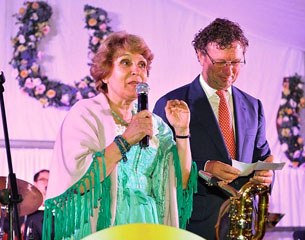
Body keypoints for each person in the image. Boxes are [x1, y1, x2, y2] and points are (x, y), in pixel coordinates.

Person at [42, 31, 197, 240]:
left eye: (142, 65)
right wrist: (125, 141)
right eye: (126, 63)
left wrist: (182, 132)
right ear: (105, 74)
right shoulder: (86, 113)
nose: (136, 70)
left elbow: (181, 182)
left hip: (147, 223)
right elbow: (77, 180)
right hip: (103, 223)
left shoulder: (156, 125)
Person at [153, 18, 274, 239]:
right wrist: (205, 166)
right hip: (192, 224)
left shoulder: (254, 106)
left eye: (236, 62)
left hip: (243, 224)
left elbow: (262, 155)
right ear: (200, 55)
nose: (229, 72)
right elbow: (159, 168)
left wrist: (266, 174)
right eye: (221, 63)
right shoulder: (171, 103)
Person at [23, 169, 49, 240]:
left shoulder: (57, 208)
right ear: (35, 183)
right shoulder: (25, 206)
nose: (46, 182)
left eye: (49, 180)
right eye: (43, 179)